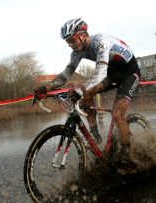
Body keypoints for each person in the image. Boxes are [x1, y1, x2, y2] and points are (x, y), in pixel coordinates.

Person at [34, 17, 140, 165]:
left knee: (117, 114)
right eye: (67, 42)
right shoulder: (77, 52)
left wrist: (81, 89)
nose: (70, 45)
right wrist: (47, 87)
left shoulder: (100, 42)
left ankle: (128, 157)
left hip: (129, 73)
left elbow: (100, 72)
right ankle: (95, 135)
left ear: (83, 36)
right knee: (86, 94)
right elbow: (66, 74)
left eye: (71, 40)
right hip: (112, 73)